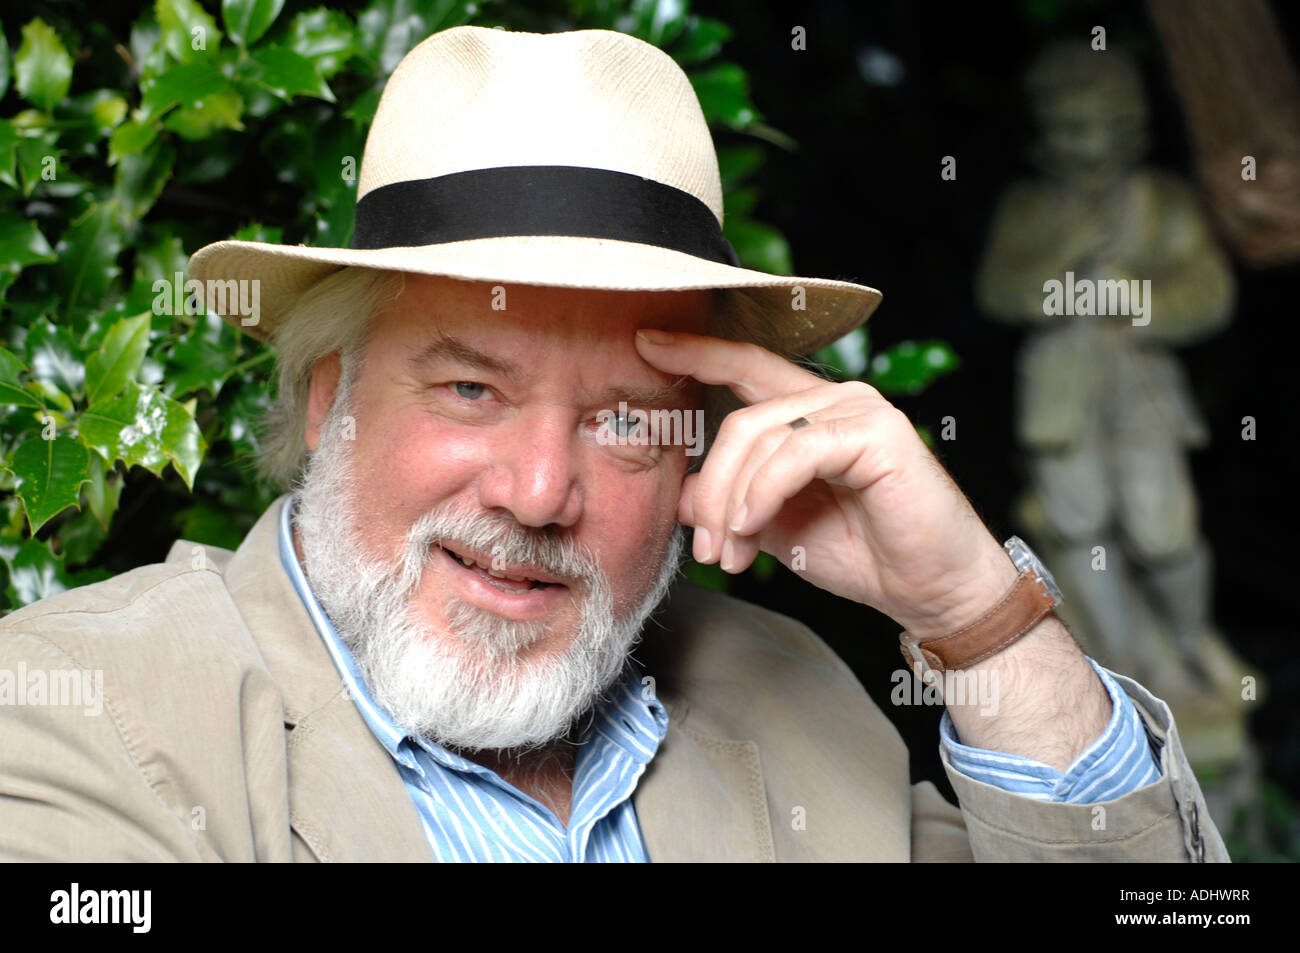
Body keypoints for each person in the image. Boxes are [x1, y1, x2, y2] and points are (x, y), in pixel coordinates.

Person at [0, 26, 1224, 862]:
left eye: (625, 419)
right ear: (333, 402)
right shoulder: (70, 714)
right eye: (472, 388)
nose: (538, 492)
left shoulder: (797, 705)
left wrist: (974, 615)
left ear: (699, 452)